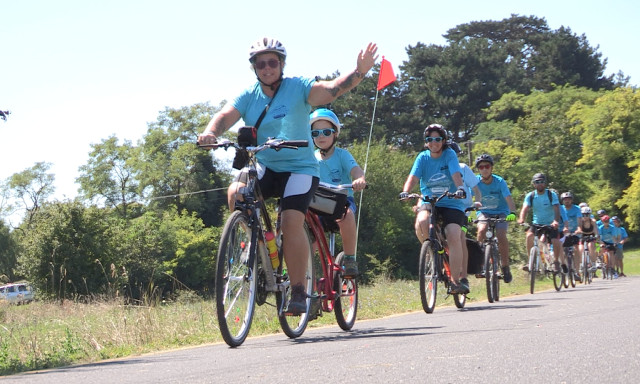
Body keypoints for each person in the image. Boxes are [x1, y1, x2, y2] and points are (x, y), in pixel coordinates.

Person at [197, 37, 378, 314]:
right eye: (261, 63)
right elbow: (225, 115)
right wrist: (211, 133)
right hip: (267, 166)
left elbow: (331, 90)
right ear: (254, 68)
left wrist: (359, 72)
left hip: (300, 168)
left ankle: (298, 291)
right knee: (235, 192)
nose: (267, 68)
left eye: (272, 62)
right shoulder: (249, 95)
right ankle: (258, 249)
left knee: (291, 221)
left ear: (281, 64)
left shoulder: (298, 87)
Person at [399, 124, 469, 294]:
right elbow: (413, 177)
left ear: (443, 141)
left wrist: (459, 189)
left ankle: (455, 280)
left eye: (437, 139)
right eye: (430, 139)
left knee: (453, 233)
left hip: (451, 201)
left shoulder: (449, 154)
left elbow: (455, 173)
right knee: (421, 222)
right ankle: (431, 250)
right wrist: (406, 191)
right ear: (426, 142)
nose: (434, 143)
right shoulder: (422, 157)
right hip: (429, 200)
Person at [309, 108, 366, 277]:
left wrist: (359, 179)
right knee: (303, 225)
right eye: (316, 132)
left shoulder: (342, 155)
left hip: (341, 201)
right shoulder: (311, 157)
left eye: (326, 132)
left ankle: (349, 259)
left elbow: (356, 170)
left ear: (335, 134)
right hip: (317, 204)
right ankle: (305, 271)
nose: (321, 136)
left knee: (347, 215)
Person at [473, 154, 517, 283]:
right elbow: (467, 199)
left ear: (491, 168)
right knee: (481, 230)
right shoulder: (475, 182)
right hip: (484, 212)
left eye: (487, 166)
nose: (484, 169)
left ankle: (505, 266)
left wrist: (512, 213)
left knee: (501, 234)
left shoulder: (499, 181)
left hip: (501, 212)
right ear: (478, 170)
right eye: (481, 167)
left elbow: (508, 198)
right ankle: (479, 263)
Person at [517, 173, 567, 272]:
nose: (539, 184)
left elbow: (557, 208)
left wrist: (555, 221)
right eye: (537, 182)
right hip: (537, 223)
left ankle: (556, 261)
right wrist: (521, 218)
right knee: (529, 236)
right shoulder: (530, 195)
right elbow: (525, 208)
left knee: (555, 241)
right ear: (533, 184)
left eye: (542, 182)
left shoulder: (551, 194)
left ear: (545, 183)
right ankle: (530, 261)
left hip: (550, 223)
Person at [559, 192, 582, 281]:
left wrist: (579, 228)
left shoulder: (577, 209)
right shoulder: (560, 208)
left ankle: (576, 271)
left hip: (574, 232)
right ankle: (563, 268)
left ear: (571, 200)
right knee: (561, 249)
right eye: (565, 199)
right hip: (563, 232)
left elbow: (579, 220)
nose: (567, 201)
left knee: (576, 248)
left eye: (569, 199)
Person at [576, 205, 599, 275]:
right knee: (580, 249)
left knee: (591, 245)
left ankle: (593, 263)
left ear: (589, 215)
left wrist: (596, 236)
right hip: (582, 236)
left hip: (591, 236)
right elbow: (577, 229)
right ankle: (581, 265)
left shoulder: (593, 221)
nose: (585, 216)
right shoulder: (580, 221)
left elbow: (595, 230)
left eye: (587, 215)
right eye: (583, 215)